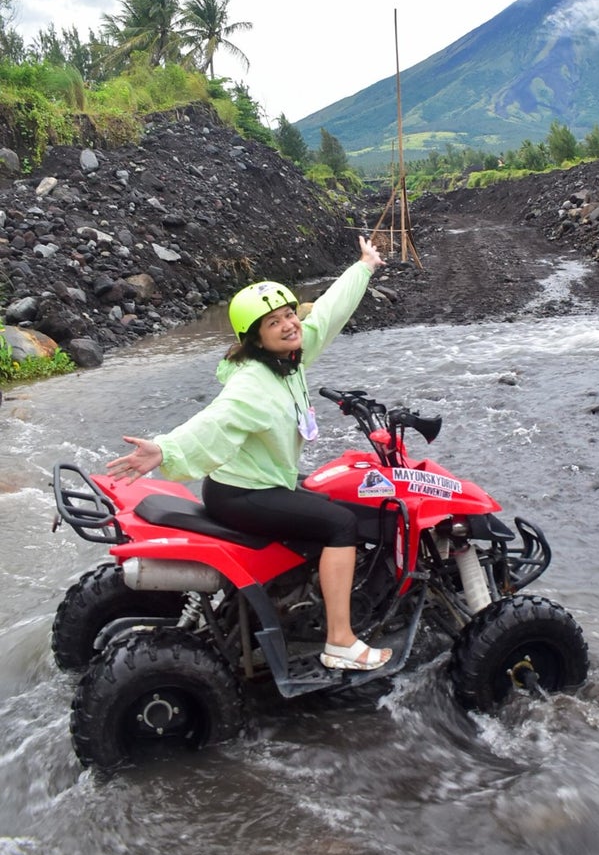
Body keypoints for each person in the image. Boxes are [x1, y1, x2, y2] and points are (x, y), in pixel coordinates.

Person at [106, 236, 392, 673]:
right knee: (342, 525)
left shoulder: (288, 360)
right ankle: (340, 641)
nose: (288, 324)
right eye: (273, 321)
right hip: (244, 493)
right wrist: (164, 449)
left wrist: (364, 267)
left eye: (289, 314)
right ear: (255, 337)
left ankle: (300, 602)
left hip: (256, 484)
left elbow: (329, 314)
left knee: (329, 498)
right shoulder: (252, 384)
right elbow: (214, 422)